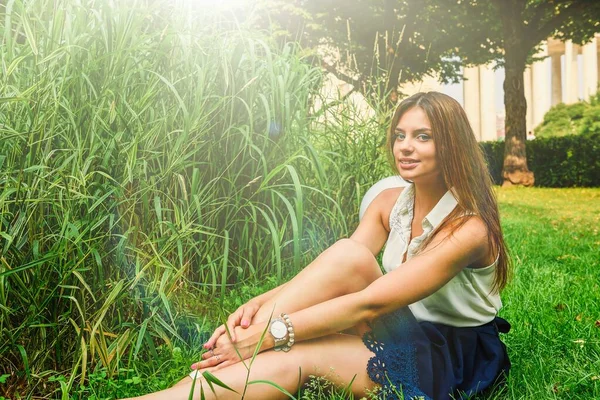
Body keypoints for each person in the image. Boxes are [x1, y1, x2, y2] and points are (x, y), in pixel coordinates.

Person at [125, 91, 511, 400]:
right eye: (400, 135)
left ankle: (202, 375)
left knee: (295, 355)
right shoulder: (388, 202)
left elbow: (371, 302)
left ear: (452, 145)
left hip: (447, 356)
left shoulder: (469, 228)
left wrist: (271, 334)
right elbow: (340, 271)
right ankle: (212, 364)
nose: (406, 147)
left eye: (423, 137)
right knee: (349, 254)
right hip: (401, 327)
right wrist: (262, 302)